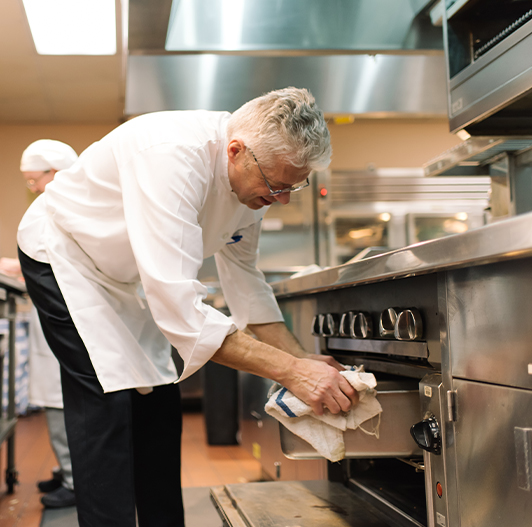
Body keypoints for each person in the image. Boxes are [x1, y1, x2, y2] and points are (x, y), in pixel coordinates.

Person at [16, 87, 358, 527]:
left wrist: (301, 358)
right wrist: (293, 373)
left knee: (158, 399)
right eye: (277, 185)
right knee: (106, 403)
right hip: (65, 253)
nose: (284, 198)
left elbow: (246, 282)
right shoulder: (170, 154)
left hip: (127, 275)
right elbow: (182, 313)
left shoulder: (254, 181)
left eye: (295, 186)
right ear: (235, 151)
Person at [0, 140, 78, 509]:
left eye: (35, 180)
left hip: (69, 320)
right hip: (53, 319)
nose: (32, 188)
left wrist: (18, 268)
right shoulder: (53, 205)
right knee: (53, 400)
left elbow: (65, 264)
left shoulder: (74, 205)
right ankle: (68, 472)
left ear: (58, 172)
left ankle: (77, 480)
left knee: (62, 401)